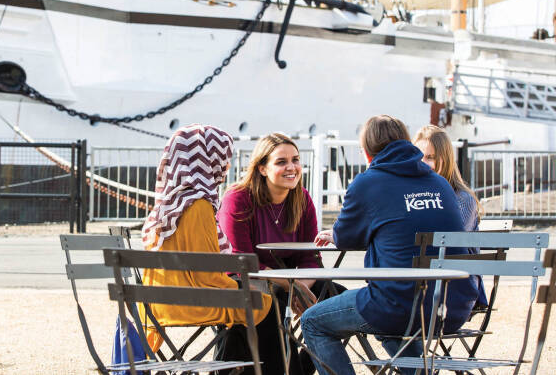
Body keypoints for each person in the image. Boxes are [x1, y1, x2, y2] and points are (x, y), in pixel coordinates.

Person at [300, 115, 479, 375]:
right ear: (408, 143)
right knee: (392, 323)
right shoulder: (439, 183)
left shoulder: (368, 182)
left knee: (313, 321)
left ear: (366, 152)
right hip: (452, 306)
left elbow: (348, 238)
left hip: (399, 304)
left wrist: (340, 232)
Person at [140, 124, 282, 375]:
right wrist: (243, 286)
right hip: (192, 302)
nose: (225, 167)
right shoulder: (198, 207)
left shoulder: (166, 207)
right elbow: (208, 277)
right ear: (209, 161)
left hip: (153, 305)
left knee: (248, 310)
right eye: (223, 159)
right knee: (267, 306)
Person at [217, 132, 327, 374]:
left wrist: (300, 286)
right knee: (271, 306)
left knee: (331, 299)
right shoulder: (238, 197)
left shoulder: (301, 199)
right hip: (244, 282)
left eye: (295, 160)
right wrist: (292, 286)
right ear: (262, 169)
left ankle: (305, 367)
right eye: (281, 162)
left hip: (283, 282)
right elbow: (240, 261)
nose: (292, 167)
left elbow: (311, 258)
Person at [413, 124, 488, 306]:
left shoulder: (463, 199)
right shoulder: (411, 195)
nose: (424, 163)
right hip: (421, 285)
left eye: (430, 158)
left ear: (445, 160)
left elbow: (449, 244)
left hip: (454, 290)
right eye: (419, 157)